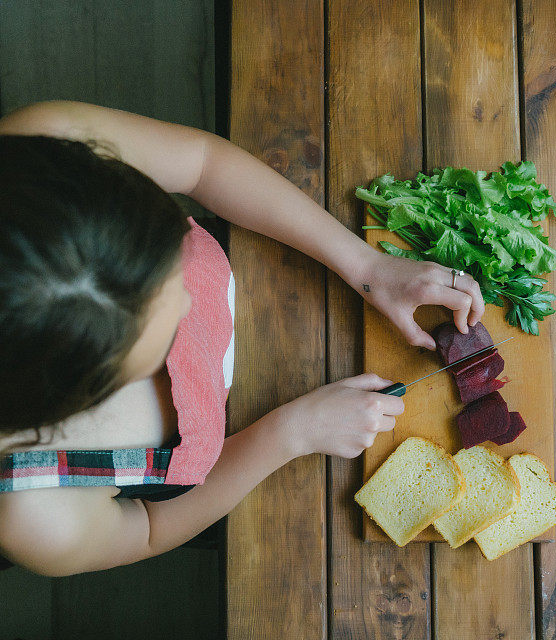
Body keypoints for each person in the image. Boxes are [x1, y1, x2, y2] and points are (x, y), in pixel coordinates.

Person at [0, 101, 485, 576]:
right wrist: (290, 433)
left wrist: (369, 267)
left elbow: (202, 165)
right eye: (162, 338)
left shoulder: (40, 157)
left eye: (171, 261)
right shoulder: (36, 516)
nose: (187, 303)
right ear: (70, 401)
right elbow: (149, 527)